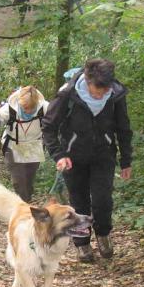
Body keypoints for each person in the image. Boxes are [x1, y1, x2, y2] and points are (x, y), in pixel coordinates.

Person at [41, 59, 133, 263]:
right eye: (95, 91)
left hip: (104, 154)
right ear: (87, 80)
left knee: (103, 199)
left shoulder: (116, 95)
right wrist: (59, 154)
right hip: (73, 157)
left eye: (104, 90)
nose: (99, 95)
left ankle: (103, 234)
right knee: (79, 201)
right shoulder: (67, 94)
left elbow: (123, 128)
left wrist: (126, 160)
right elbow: (48, 126)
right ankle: (82, 245)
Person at [0, 85, 49, 203]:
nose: (27, 110)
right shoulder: (10, 108)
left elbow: (56, 118)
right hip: (12, 146)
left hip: (34, 145)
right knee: (18, 181)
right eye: (24, 107)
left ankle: (25, 203)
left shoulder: (44, 107)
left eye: (30, 107)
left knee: (28, 181)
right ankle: (24, 207)